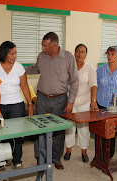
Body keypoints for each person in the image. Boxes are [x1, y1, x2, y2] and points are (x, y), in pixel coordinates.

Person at [25, 32, 79, 170]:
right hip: (42, 99)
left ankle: (55, 158)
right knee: (39, 130)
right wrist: (19, 70)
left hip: (60, 99)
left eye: (45, 46)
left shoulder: (68, 58)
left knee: (58, 132)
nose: (42, 48)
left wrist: (70, 102)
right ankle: (40, 158)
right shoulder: (41, 57)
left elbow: (74, 81)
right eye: (42, 45)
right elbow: (35, 69)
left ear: (54, 46)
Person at [0, 41, 33, 168]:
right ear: (4, 53)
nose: (15, 56)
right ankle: (1, 159)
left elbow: (24, 87)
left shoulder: (19, 67)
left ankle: (17, 159)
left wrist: (29, 104)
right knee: (0, 134)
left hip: (16, 105)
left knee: (17, 134)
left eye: (16, 53)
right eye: (12, 54)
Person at [64, 44, 98, 163]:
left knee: (84, 129)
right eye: (77, 51)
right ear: (74, 53)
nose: (79, 54)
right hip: (70, 103)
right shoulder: (69, 67)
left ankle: (84, 152)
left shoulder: (90, 68)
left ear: (86, 54)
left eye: (82, 51)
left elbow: (94, 85)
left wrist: (93, 101)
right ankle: (68, 151)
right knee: (69, 128)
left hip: (85, 104)